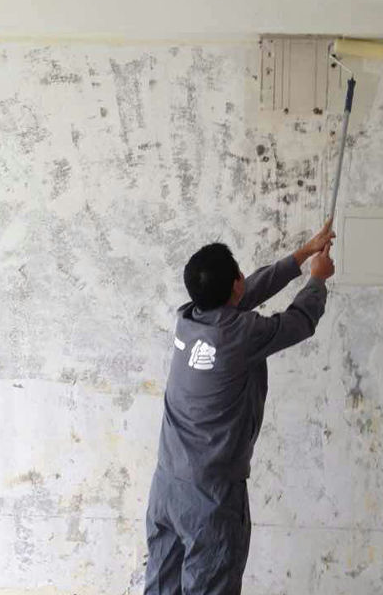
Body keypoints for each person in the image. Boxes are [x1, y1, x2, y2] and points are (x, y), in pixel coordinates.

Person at [144, 220, 335, 594]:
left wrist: (302, 253)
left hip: (167, 486)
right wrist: (317, 279)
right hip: (210, 497)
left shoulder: (189, 318)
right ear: (236, 282)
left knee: (162, 588)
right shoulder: (241, 334)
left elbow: (247, 293)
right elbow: (298, 322)